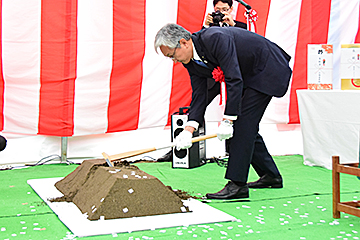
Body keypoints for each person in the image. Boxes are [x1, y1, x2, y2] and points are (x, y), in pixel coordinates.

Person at [154, 23, 292, 199]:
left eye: (172, 55)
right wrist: (189, 129)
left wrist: (228, 120)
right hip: (247, 74)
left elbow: (233, 79)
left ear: (184, 42)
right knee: (246, 126)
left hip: (266, 69)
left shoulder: (215, 38)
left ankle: (237, 185)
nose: (173, 61)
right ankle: (270, 176)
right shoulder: (189, 60)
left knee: (242, 124)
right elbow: (200, 94)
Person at [156, 0, 246, 162]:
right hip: (213, 75)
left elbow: (237, 55)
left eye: (224, 9)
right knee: (198, 100)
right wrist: (189, 129)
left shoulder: (238, 26)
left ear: (231, 9)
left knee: (243, 120)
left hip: (236, 74)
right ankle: (183, 140)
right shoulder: (203, 36)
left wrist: (228, 119)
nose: (220, 13)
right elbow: (199, 46)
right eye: (217, 9)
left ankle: (234, 153)